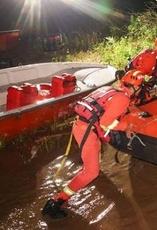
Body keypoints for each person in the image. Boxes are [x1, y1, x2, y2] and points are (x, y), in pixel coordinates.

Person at [42, 70, 145, 219]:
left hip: (82, 125)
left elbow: (101, 113)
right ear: (136, 87)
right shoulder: (122, 99)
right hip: (86, 131)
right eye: (141, 87)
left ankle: (59, 200)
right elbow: (105, 123)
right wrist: (125, 127)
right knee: (91, 172)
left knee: (92, 164)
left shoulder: (110, 90)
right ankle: (56, 203)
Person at [118, 33, 157, 104]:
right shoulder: (151, 59)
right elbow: (136, 76)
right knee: (145, 95)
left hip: (135, 79)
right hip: (130, 81)